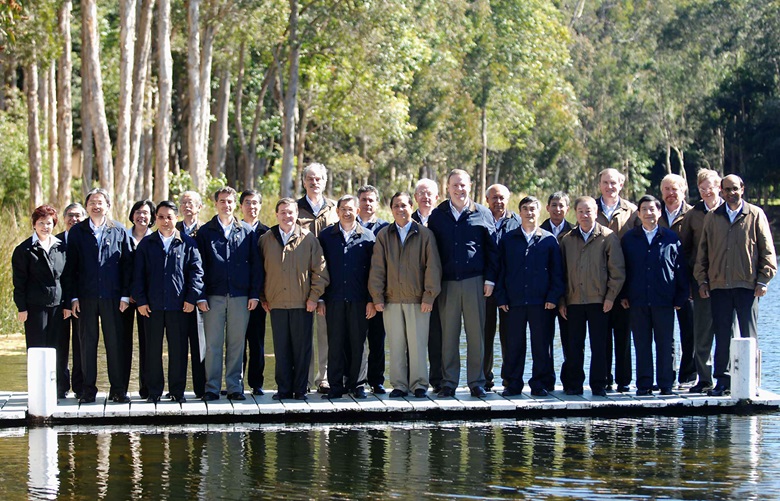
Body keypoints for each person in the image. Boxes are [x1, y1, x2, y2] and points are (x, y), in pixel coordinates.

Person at [694, 174, 777, 396]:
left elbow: (768, 251)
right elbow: (702, 253)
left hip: (748, 286)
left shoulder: (755, 214)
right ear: (721, 192)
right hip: (719, 286)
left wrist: (763, 280)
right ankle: (723, 380)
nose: (731, 193)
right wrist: (702, 280)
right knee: (722, 336)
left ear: (742, 189)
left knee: (749, 335)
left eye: (734, 189)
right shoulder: (713, 217)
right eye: (726, 189)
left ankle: (752, 382)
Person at [427, 169, 498, 398]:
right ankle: (449, 382)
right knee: (449, 335)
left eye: (463, 185)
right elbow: (432, 252)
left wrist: (490, 279)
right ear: (447, 188)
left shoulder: (482, 213)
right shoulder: (438, 215)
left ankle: (476, 382)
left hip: (474, 282)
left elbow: (492, 249)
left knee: (476, 334)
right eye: (455, 185)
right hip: (447, 283)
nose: (459, 189)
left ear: (470, 186)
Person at [62, 188, 134, 404]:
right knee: (87, 344)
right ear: (87, 207)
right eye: (92, 202)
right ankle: (87, 389)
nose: (96, 205)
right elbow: (70, 269)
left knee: (115, 343)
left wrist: (125, 296)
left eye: (100, 202)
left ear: (107, 206)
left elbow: (127, 266)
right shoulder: (77, 232)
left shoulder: (119, 230)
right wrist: (72, 297)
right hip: (86, 297)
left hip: (113, 298)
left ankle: (118, 389)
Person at [369, 192, 442, 398]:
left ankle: (419, 384)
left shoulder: (425, 234)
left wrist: (429, 296)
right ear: (391, 209)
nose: (400, 210)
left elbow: (433, 267)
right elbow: (377, 269)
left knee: (418, 345)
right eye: (396, 206)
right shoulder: (384, 235)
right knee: (396, 344)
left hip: (418, 301)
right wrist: (377, 297)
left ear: (411, 207)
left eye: (404, 205)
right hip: (391, 300)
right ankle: (399, 385)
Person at [195, 186, 263, 402]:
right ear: (216, 204)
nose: (226, 205)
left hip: (240, 296)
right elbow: (198, 267)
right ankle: (212, 388)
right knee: (213, 344)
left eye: (230, 201)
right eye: (222, 201)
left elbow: (255, 266)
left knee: (236, 344)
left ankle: (235, 387)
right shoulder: (205, 232)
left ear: (236, 205)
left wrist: (254, 294)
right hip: (213, 297)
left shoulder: (246, 232)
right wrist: (200, 295)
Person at [133, 201, 204, 403]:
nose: (165, 221)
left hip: (179, 307)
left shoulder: (188, 243)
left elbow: (197, 274)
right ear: (156, 219)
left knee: (179, 351)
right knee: (152, 351)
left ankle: (177, 391)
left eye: (169, 217)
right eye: (161, 217)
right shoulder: (147, 244)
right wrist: (141, 301)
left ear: (176, 219)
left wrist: (191, 298)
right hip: (152, 307)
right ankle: (154, 392)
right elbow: (137, 275)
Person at [260, 198, 330, 400]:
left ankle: (300, 390)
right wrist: (264, 297)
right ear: (276, 215)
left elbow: (321, 272)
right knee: (281, 349)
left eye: (290, 212)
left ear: (297, 214)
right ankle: (283, 390)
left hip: (302, 303)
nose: (287, 216)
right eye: (282, 212)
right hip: (276, 304)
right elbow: (261, 272)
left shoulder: (308, 239)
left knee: (302, 349)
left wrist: (313, 298)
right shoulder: (266, 239)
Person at [495, 196, 564, 397]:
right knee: (514, 345)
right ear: (520, 212)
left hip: (542, 303)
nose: (529, 212)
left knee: (542, 345)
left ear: (539, 210)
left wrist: (553, 297)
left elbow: (557, 273)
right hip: (513, 302)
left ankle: (540, 384)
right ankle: (513, 384)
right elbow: (501, 271)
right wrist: (501, 297)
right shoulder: (509, 239)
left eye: (532, 208)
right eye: (524, 208)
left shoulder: (549, 239)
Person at [621, 195, 689, 396]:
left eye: (653, 209)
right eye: (644, 209)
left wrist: (680, 297)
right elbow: (622, 269)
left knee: (665, 343)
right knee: (642, 343)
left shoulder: (671, 238)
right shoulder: (629, 239)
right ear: (639, 213)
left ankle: (666, 383)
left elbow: (680, 269)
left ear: (659, 213)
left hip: (664, 300)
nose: (649, 213)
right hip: (637, 300)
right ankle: (644, 384)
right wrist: (623, 294)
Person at [559, 196, 625, 397]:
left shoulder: (608, 237)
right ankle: (574, 385)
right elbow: (560, 272)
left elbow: (618, 271)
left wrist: (610, 297)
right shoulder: (567, 240)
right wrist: (562, 300)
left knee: (600, 345)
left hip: (599, 301)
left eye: (589, 211)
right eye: (581, 211)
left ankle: (599, 384)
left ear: (596, 213)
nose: (585, 215)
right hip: (574, 301)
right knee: (574, 346)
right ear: (575, 214)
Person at [319, 195, 376, 399]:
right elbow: (320, 269)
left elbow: (374, 272)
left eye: (350, 208)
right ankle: (336, 385)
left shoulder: (368, 237)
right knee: (335, 342)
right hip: (333, 298)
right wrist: (320, 298)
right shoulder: (326, 237)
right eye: (343, 208)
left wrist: (371, 299)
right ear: (337, 211)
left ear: (357, 211)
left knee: (358, 342)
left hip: (359, 298)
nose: (346, 212)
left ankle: (357, 384)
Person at [679, 169, 730, 393]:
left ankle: (726, 377)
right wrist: (692, 282)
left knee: (728, 331)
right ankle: (704, 378)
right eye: (702, 188)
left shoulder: (730, 210)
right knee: (702, 333)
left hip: (729, 283)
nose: (706, 191)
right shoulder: (693, 214)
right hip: (702, 284)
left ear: (719, 187)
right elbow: (685, 251)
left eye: (710, 187)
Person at [12, 205, 68, 397]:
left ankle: (59, 389)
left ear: (54, 224)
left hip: (58, 306)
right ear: (34, 225)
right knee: (37, 348)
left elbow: (67, 278)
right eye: (41, 223)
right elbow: (19, 282)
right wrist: (22, 308)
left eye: (49, 223)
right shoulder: (24, 249)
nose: (45, 226)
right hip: (35, 306)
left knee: (58, 347)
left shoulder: (61, 246)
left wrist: (68, 305)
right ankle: (38, 390)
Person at [297, 163, 339, 394]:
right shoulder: (295, 208)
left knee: (325, 331)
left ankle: (323, 377)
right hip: (300, 280)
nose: (314, 182)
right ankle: (302, 378)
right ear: (304, 182)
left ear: (325, 181)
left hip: (328, 280)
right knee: (303, 333)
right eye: (310, 179)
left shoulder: (334, 209)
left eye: (319, 179)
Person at [595, 168, 637, 392]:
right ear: (599, 184)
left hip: (623, 283)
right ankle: (604, 378)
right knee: (602, 337)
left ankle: (623, 381)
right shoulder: (591, 209)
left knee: (622, 336)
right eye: (605, 182)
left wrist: (629, 289)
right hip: (597, 284)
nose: (609, 187)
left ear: (621, 185)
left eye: (614, 183)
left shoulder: (632, 211)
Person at [659, 174, 696, 386]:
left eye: (675, 189)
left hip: (687, 282)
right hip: (662, 283)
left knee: (689, 331)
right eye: (666, 189)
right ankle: (667, 375)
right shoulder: (654, 213)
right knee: (665, 335)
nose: (671, 193)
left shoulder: (693, 215)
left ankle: (688, 376)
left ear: (683, 190)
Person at [483, 184, 521, 391]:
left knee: (510, 336)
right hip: (485, 288)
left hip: (510, 289)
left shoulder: (517, 222)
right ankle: (484, 380)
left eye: (502, 198)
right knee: (484, 335)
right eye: (494, 198)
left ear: (508, 199)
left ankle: (510, 380)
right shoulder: (480, 219)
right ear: (487, 200)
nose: (498, 201)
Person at [355, 185, 389, 394]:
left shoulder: (385, 229)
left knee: (377, 340)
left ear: (377, 203)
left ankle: (376, 381)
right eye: (363, 200)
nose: (367, 203)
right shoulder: (348, 225)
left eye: (371, 200)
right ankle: (356, 381)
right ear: (358, 203)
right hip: (356, 294)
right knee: (356, 340)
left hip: (379, 294)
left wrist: (377, 296)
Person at [411, 178, 443, 392]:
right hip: (411, 288)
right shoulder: (407, 220)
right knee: (412, 337)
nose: (425, 196)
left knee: (437, 335)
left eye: (429, 193)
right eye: (421, 192)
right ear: (415, 198)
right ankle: (413, 380)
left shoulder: (444, 219)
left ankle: (438, 380)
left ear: (437, 197)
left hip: (439, 287)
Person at [541, 192, 574, 391]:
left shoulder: (575, 232)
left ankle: (569, 382)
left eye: (561, 205)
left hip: (569, 296)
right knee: (544, 341)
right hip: (544, 297)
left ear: (567, 209)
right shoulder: (538, 230)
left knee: (570, 340)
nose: (557, 209)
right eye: (554, 205)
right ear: (547, 208)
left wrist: (562, 298)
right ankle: (546, 382)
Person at [175, 190, 206, 397]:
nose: (187, 206)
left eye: (191, 203)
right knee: (177, 345)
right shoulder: (172, 228)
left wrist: (200, 296)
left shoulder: (206, 231)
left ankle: (201, 389)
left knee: (200, 345)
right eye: (184, 202)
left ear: (199, 207)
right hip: (175, 297)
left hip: (199, 297)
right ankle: (177, 389)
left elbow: (206, 267)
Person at [123, 199, 155, 398]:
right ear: (132, 214)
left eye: (146, 213)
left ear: (151, 217)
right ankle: (121, 389)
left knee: (148, 344)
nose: (141, 216)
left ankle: (147, 388)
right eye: (138, 212)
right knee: (123, 343)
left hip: (148, 300)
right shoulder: (121, 236)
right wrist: (127, 294)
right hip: (125, 299)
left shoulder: (155, 239)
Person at [240, 189, 270, 396]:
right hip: (237, 294)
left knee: (257, 341)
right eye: (248, 203)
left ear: (260, 206)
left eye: (255, 203)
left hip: (259, 296)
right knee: (236, 342)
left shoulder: (267, 233)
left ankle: (257, 383)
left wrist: (262, 295)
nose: (252, 207)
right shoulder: (233, 229)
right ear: (241, 207)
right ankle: (236, 382)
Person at [56, 203, 87, 399]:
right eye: (70, 215)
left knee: (81, 343)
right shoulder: (55, 241)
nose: (73, 219)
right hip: (58, 302)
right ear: (64, 218)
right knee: (59, 344)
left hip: (81, 300)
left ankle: (80, 386)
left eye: (78, 216)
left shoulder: (87, 241)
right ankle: (60, 386)